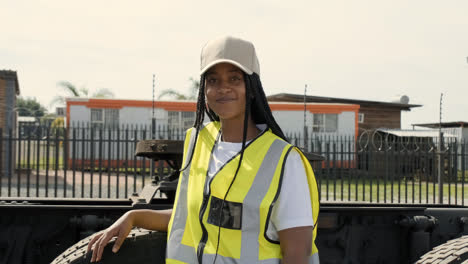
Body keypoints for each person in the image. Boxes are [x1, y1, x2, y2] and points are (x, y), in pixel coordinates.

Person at [87, 36, 320, 264]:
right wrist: (134, 216)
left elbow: (297, 253)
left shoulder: (283, 160)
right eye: (213, 80)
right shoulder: (197, 141)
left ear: (251, 88)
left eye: (234, 79)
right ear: (204, 91)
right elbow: (192, 218)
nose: (223, 88)